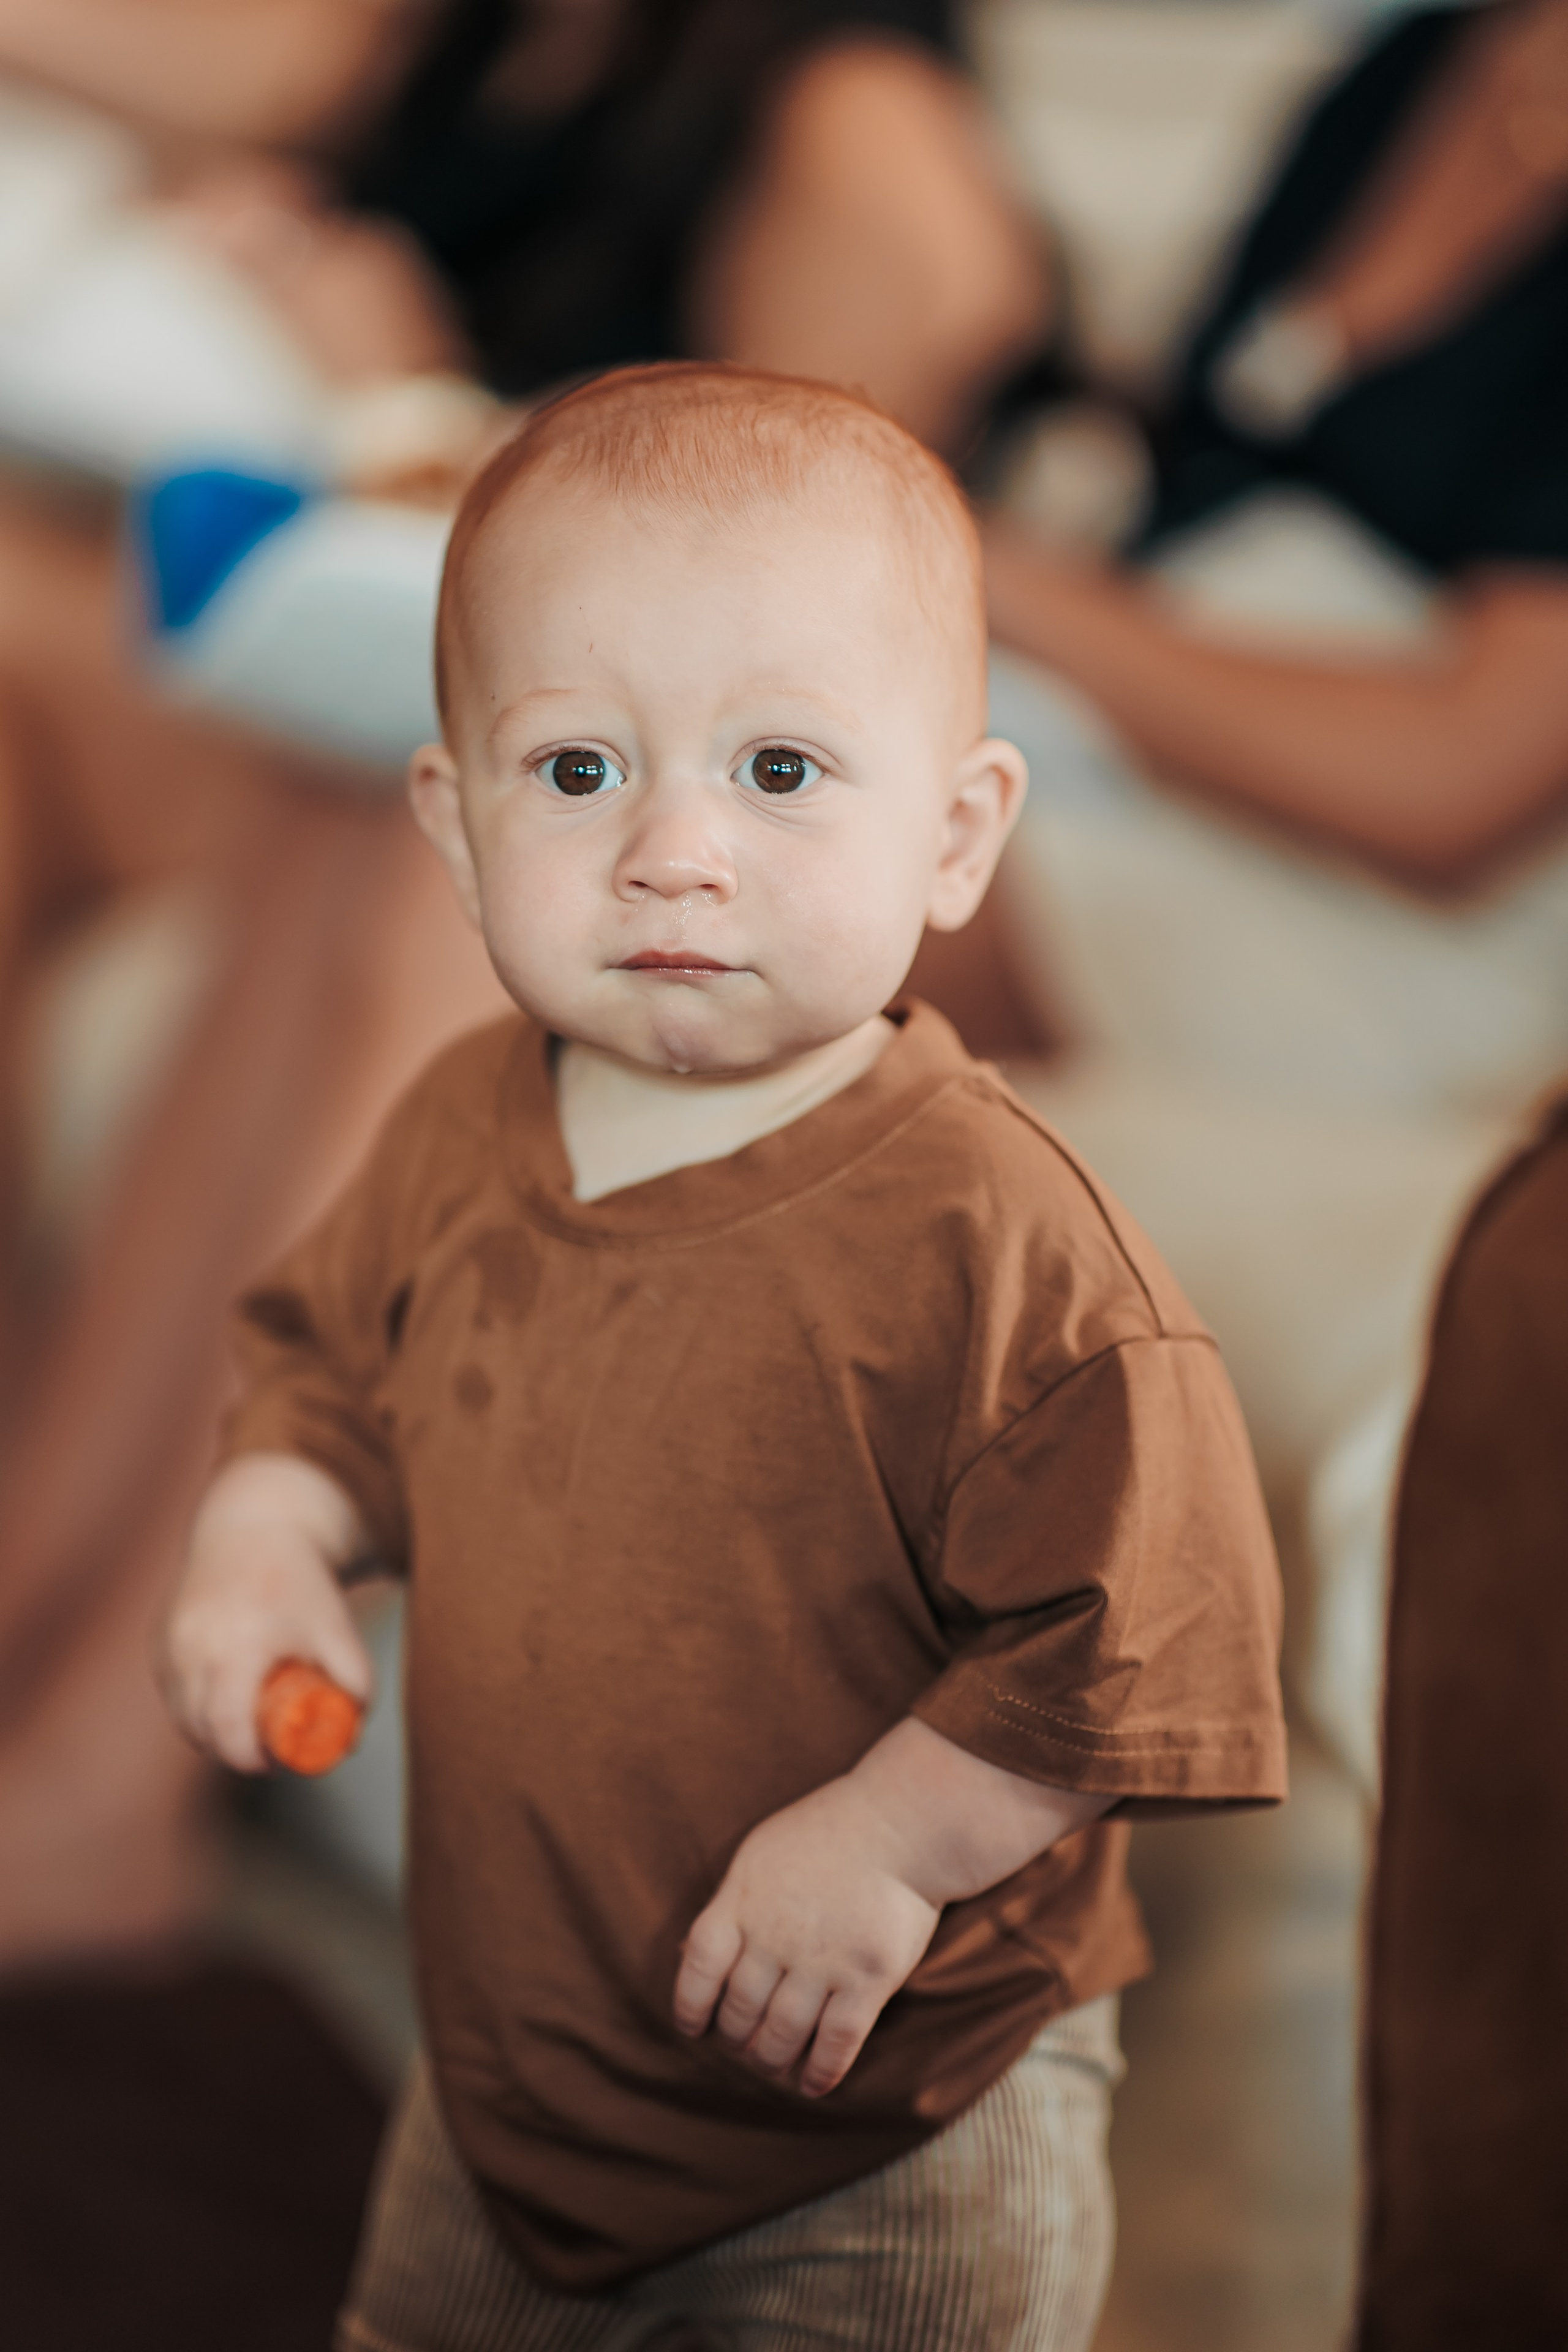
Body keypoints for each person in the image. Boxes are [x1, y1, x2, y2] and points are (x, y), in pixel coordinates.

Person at [159, 364, 1286, 2350]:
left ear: (957, 838)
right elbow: (324, 1377)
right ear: (452, 816)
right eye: (579, 771)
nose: (674, 850)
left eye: (779, 772)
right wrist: (270, 1541)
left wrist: (889, 1841)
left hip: (897, 2130)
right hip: (517, 2077)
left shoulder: (1004, 1244)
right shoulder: (457, 1130)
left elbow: (1141, 1626)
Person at [0, 0, 1048, 1969]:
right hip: (544, 718)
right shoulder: (497, 48)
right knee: (343, 804)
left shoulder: (850, 119)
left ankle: (113, 1771)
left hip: (900, 829)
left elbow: (778, 638)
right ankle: (48, 1616)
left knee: (471, 860)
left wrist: (392, 398)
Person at [965, 0, 1568, 1540]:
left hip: (1384, 928)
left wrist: (1010, 587)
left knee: (676, 898)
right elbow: (1172, 476)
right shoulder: (1418, 64)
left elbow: (1453, 783)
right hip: (1152, 768)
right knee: (465, 818)